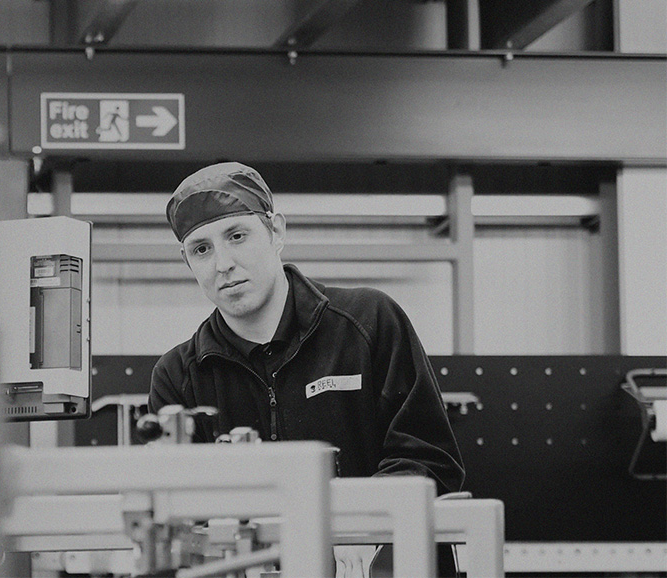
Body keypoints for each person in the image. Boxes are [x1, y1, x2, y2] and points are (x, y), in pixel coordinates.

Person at [149, 162, 466, 575]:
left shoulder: (368, 324)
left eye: (237, 236)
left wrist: (362, 526)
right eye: (201, 249)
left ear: (276, 232)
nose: (222, 263)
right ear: (187, 260)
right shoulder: (179, 376)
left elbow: (432, 457)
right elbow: (182, 514)